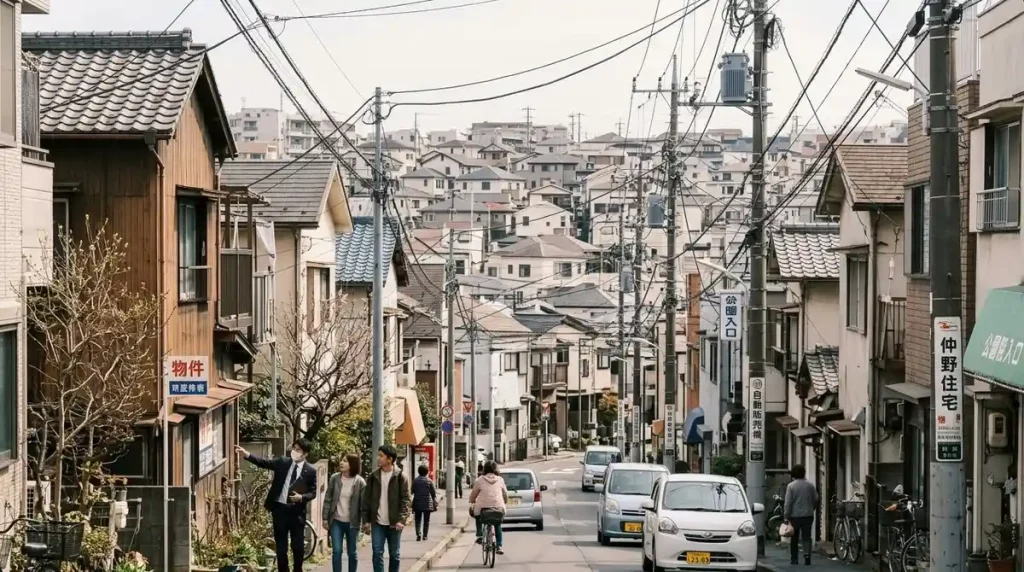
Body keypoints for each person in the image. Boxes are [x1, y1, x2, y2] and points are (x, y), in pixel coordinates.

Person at [236, 440, 317, 572]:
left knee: (297, 546)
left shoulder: (311, 471)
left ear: (305, 454)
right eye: (294, 448)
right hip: (280, 510)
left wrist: (301, 497)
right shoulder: (283, 462)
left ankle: (298, 569)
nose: (294, 452)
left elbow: (313, 492)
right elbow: (264, 463)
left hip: (297, 513)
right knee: (281, 547)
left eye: (298, 450)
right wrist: (247, 455)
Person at [361, 445, 411, 572]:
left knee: (394, 554)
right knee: (377, 553)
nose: (378, 458)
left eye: (381, 456)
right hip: (378, 522)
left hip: (394, 523)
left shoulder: (400, 477)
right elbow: (366, 499)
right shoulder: (373, 476)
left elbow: (406, 500)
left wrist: (401, 520)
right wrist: (366, 520)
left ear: (390, 459)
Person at [323, 453, 365, 572]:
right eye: (341, 460)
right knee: (337, 550)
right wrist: (325, 518)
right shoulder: (335, 478)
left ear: (352, 464)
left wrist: (365, 522)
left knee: (352, 552)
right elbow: (328, 498)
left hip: (352, 523)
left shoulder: (360, 482)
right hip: (336, 521)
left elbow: (364, 504)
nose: (341, 463)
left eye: (345, 461)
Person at [783, 464, 818, 566]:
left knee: (794, 537)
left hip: (795, 516)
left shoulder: (791, 486)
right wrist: (812, 508)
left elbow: (788, 502)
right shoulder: (810, 485)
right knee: (806, 536)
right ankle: (807, 556)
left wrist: (786, 516)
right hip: (808, 515)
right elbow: (816, 498)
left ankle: (794, 558)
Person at [469, 460, 507, 555]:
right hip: (498, 507)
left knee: (477, 514)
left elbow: (474, 494)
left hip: (483, 508)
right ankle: (499, 546)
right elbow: (505, 494)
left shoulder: (479, 480)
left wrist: (472, 501)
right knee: (497, 524)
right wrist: (505, 501)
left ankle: (480, 535)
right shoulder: (500, 480)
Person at [411, 465, 438, 541]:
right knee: (426, 520)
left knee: (417, 520)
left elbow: (412, 491)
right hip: (427, 503)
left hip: (417, 502)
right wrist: (434, 502)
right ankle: (425, 535)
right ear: (427, 472)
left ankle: (418, 534)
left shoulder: (415, 481)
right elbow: (433, 493)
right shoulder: (429, 481)